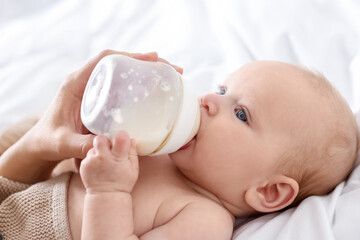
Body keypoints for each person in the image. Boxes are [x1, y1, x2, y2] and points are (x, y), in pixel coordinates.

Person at [0, 50, 358, 240]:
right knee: (33, 124)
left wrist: (107, 191)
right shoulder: (164, 146)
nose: (208, 101)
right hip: (18, 194)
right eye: (221, 89)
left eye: (241, 114)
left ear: (269, 191)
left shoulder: (203, 219)